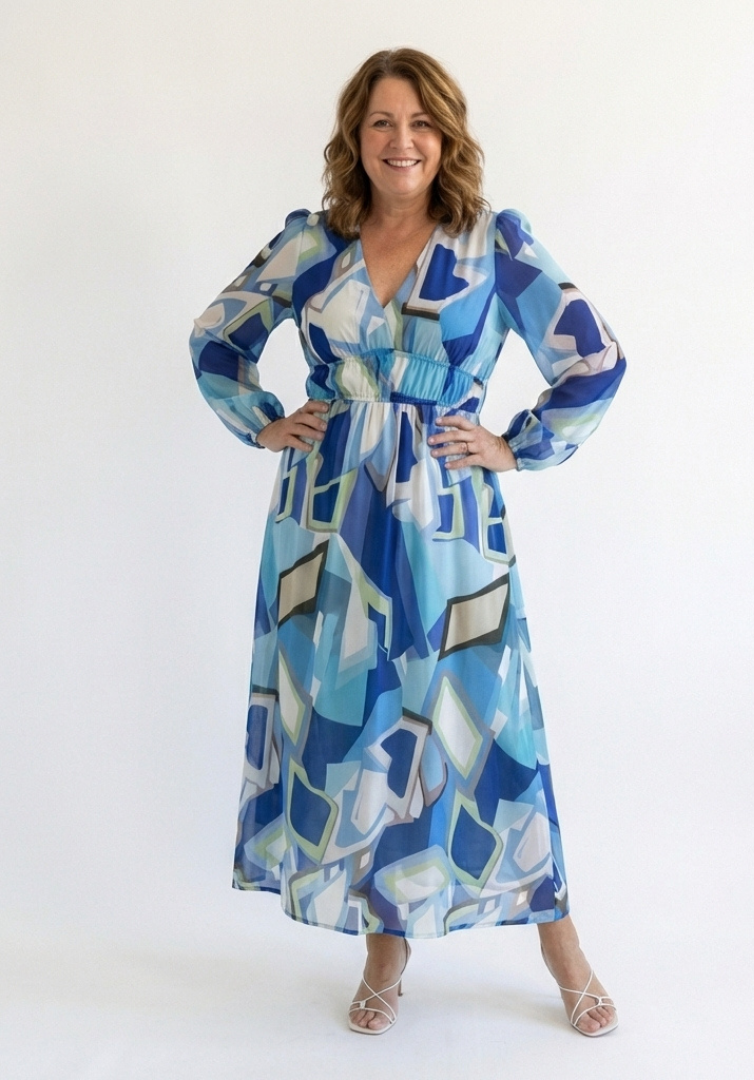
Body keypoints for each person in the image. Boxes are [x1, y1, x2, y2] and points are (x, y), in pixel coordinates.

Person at [190, 47, 625, 1038]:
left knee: (487, 722)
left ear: (447, 136)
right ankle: (385, 946)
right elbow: (216, 337)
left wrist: (517, 446)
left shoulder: (491, 244)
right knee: (362, 727)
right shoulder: (313, 244)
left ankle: (561, 944)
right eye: (382, 122)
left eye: (421, 123)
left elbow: (595, 361)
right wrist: (263, 420)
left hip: (448, 519)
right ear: (355, 135)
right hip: (328, 517)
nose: (402, 141)